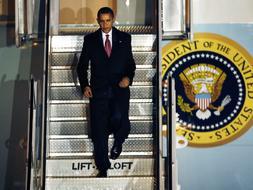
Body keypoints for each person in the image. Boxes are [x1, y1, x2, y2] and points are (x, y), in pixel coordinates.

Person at [76, 7, 136, 177]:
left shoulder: (125, 38)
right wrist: (85, 85)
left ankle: (118, 141)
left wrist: (128, 78)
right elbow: (81, 66)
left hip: (120, 89)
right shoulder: (90, 40)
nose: (105, 24)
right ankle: (103, 167)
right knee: (99, 131)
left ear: (113, 19)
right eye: (101, 21)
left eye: (108, 20)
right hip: (98, 92)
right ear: (97, 21)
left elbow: (130, 64)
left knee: (120, 119)